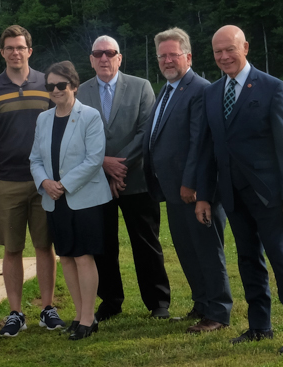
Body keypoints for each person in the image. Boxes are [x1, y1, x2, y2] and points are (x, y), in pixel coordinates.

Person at [196, 25, 283, 355]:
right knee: (248, 261)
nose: (224, 56)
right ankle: (260, 326)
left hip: (270, 197)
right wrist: (204, 194)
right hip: (232, 195)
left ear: (245, 47)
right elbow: (208, 149)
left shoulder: (273, 88)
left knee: (282, 262)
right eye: (217, 51)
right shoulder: (212, 93)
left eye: (229, 49)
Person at [142, 27, 232, 333]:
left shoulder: (199, 89)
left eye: (173, 54)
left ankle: (218, 313)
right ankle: (202, 303)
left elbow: (200, 143)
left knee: (207, 250)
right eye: (162, 56)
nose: (167, 60)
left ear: (188, 56)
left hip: (195, 192)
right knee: (187, 250)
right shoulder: (168, 90)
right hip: (174, 191)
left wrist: (192, 184)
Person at [0, 24, 64, 337]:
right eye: (9, 48)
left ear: (30, 50)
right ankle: (16, 312)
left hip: (44, 182)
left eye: (21, 47)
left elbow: (60, 127)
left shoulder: (48, 83)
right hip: (8, 181)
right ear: (2, 52)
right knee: (12, 249)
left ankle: (47, 308)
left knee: (45, 246)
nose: (15, 53)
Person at [78, 35, 170, 321]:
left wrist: (119, 167)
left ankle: (158, 302)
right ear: (91, 60)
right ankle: (111, 301)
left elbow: (146, 132)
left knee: (146, 243)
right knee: (103, 245)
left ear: (120, 58)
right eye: (98, 54)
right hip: (96, 181)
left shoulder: (141, 87)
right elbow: (77, 136)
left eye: (110, 53)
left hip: (137, 181)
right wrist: (102, 164)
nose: (104, 58)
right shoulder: (80, 92)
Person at [29, 61, 110, 341]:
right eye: (50, 86)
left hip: (84, 199)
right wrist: (44, 183)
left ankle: (89, 317)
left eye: (61, 85)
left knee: (83, 257)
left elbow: (94, 159)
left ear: (73, 86)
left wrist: (63, 184)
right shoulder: (43, 119)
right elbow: (35, 158)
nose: (55, 90)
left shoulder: (90, 116)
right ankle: (77, 315)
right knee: (65, 256)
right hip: (54, 199)